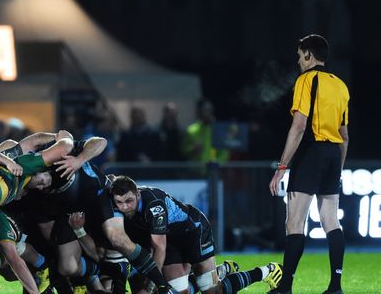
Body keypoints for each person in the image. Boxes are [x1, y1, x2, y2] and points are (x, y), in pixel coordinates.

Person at [268, 34, 349, 294]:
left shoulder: (305, 80)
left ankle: (286, 287)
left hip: (310, 154)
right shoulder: (340, 86)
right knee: (331, 222)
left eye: (300, 56)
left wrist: (281, 167)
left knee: (295, 223)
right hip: (333, 155)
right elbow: (344, 135)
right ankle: (335, 286)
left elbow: (300, 126)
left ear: (308, 55)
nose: (299, 61)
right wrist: (338, 167)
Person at [109, 175, 282, 294]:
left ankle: (267, 271)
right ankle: (220, 271)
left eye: (129, 201)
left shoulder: (153, 205)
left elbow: (158, 247)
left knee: (212, 291)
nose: (124, 207)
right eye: (119, 203)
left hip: (192, 231)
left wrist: (151, 284)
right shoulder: (117, 207)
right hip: (170, 239)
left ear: (138, 194)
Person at [182, 99, 228, 163]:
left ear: (212, 111)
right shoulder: (191, 130)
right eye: (202, 111)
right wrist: (193, 150)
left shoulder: (220, 130)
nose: (205, 113)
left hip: (214, 170)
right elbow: (184, 151)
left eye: (208, 110)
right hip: (196, 170)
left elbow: (224, 154)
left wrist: (217, 163)